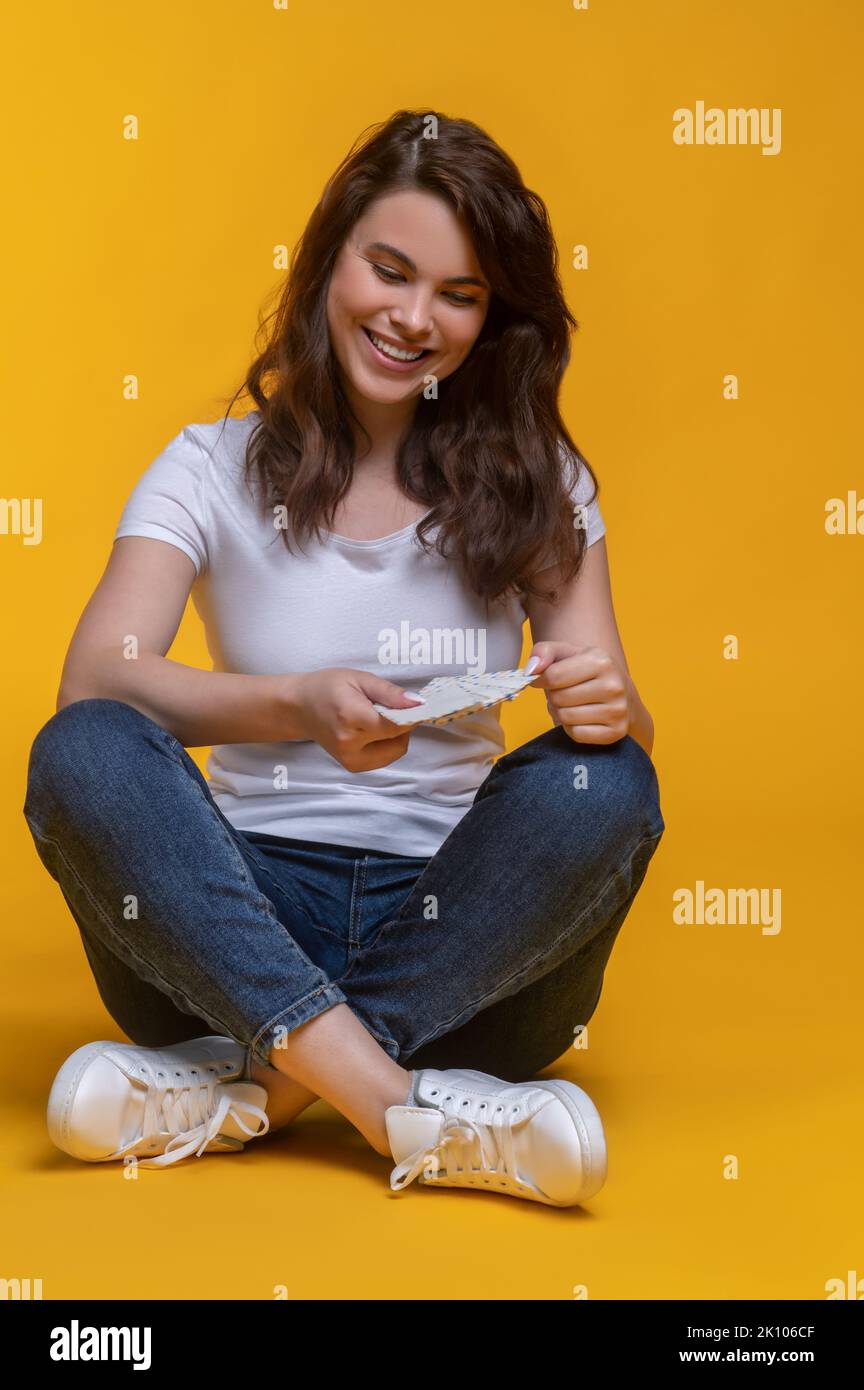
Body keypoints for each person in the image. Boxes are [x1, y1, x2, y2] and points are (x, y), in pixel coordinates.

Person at [22, 110, 665, 1207]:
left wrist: (616, 707)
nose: (414, 319)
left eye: (458, 294)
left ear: (493, 316)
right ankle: (403, 1108)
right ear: (331, 262)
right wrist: (294, 705)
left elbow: (619, 756)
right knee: (83, 748)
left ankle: (252, 1094)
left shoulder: (541, 480)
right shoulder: (206, 467)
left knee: (604, 782)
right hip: (224, 927)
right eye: (390, 269)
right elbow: (98, 675)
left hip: (471, 943)